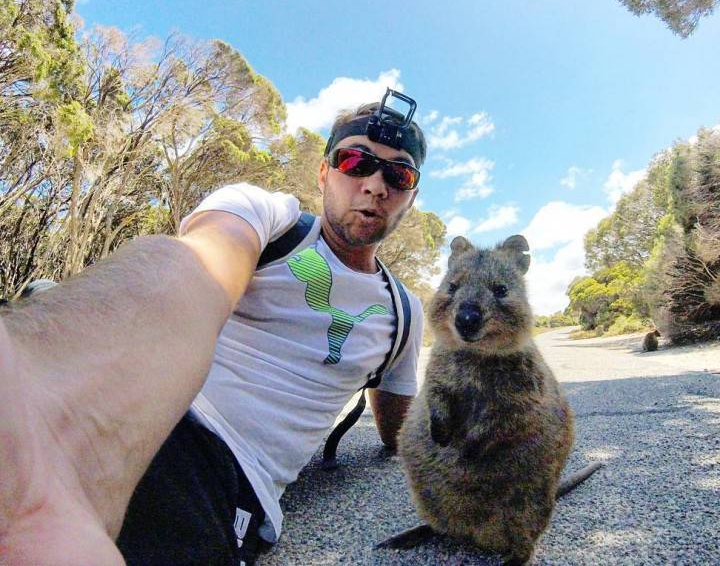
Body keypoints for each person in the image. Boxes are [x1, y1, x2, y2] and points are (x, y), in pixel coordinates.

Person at [0, 96, 427, 565]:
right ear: (324, 173)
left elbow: (396, 432)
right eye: (354, 161)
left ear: (410, 195)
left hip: (221, 471)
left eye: (398, 175)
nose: (374, 185)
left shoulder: (403, 312)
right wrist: (37, 368)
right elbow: (194, 265)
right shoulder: (267, 216)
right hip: (140, 400)